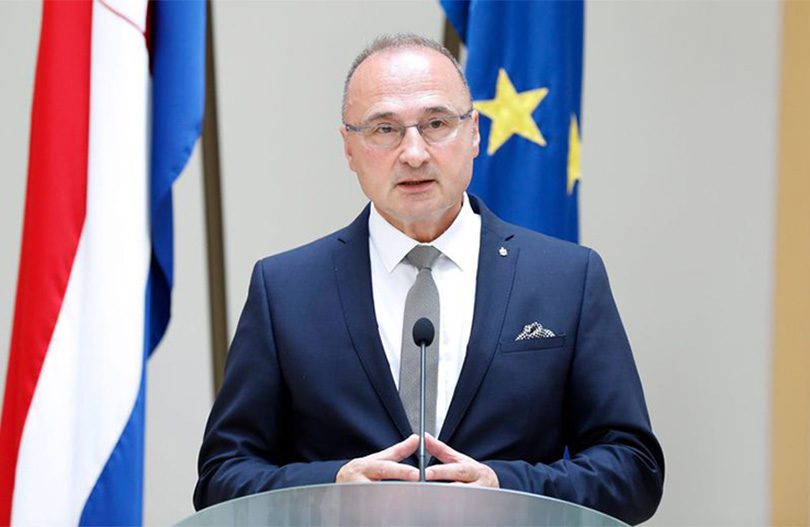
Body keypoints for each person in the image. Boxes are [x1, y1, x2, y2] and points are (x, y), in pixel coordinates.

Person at [193, 34, 664, 525]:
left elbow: (634, 469)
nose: (414, 153)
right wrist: (331, 489)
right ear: (349, 147)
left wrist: (506, 489)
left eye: (436, 124)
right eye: (384, 129)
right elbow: (221, 477)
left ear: (474, 132)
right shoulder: (285, 289)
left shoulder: (566, 278)